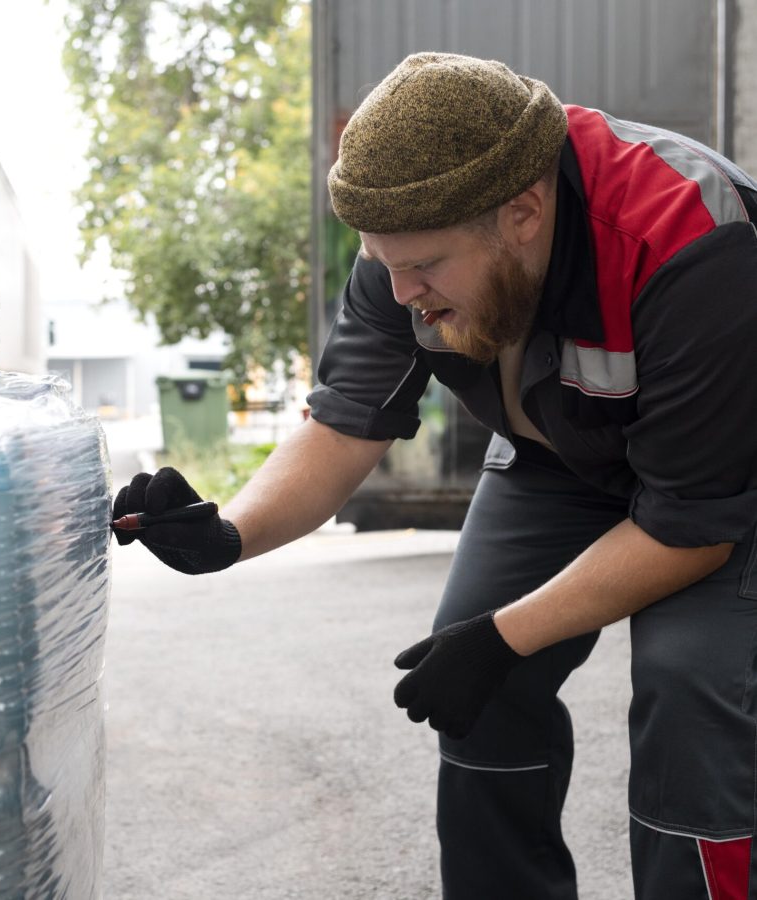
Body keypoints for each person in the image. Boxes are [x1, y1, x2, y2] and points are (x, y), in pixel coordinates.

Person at [112, 52, 757, 898]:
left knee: (689, 693)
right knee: (474, 690)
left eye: (424, 268)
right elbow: (346, 423)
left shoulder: (690, 237)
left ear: (524, 211)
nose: (403, 289)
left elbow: (690, 524)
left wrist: (505, 636)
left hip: (721, 481)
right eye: (384, 264)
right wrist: (230, 533)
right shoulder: (404, 244)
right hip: (556, 455)